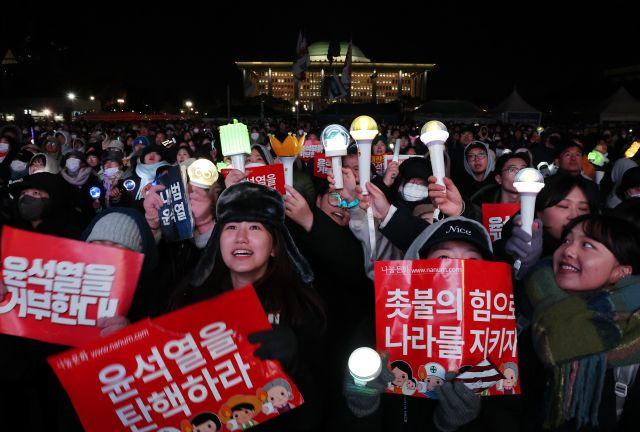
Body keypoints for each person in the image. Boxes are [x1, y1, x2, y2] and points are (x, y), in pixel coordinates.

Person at [171, 182, 326, 431]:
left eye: (254, 227)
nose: (241, 238)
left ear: (275, 245)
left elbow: (320, 406)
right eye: (231, 227)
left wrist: (294, 367)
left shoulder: (301, 306)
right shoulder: (190, 299)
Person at [518, 214, 640, 431]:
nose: (568, 250)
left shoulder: (634, 335)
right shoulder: (534, 316)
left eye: (587, 245)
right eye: (566, 240)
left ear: (620, 272)